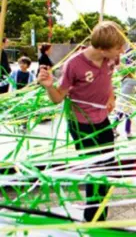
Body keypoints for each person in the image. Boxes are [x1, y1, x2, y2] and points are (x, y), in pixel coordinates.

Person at [37, 21, 125, 222]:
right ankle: (94, 220)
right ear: (102, 49)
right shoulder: (74, 65)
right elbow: (58, 97)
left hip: (102, 119)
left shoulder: (111, 60)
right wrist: (50, 86)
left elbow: (108, 79)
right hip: (82, 125)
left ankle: (99, 214)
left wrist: (110, 97)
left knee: (109, 169)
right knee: (96, 172)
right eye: (118, 47)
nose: (122, 50)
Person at [116, 70, 136, 138]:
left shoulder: (125, 81)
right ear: (130, 74)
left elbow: (131, 91)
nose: (134, 75)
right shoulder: (130, 80)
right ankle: (128, 132)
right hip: (125, 102)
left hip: (121, 100)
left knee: (120, 115)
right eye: (134, 73)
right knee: (129, 116)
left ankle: (113, 129)